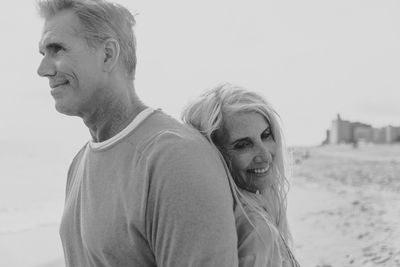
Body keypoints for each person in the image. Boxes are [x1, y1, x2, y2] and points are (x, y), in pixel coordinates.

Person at [36, 1, 238, 266]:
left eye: (57, 49)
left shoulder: (175, 159)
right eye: (42, 54)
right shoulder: (78, 164)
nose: (43, 70)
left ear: (108, 55)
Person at [182, 83, 300, 266]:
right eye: (243, 145)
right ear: (215, 154)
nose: (265, 155)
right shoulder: (255, 229)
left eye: (266, 135)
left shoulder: (204, 213)